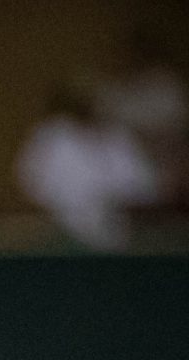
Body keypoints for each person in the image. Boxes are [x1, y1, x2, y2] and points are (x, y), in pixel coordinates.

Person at [18, 86, 160, 250]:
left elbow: (145, 185)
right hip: (65, 230)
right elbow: (31, 184)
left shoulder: (118, 136)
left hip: (124, 232)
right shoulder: (52, 136)